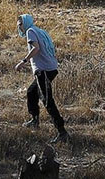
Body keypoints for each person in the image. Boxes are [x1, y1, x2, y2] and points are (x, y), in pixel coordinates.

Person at [14, 13, 68, 144]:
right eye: (18, 25)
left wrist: (23, 61)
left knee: (47, 101)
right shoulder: (39, 30)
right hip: (50, 68)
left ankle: (62, 132)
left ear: (26, 23)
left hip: (44, 70)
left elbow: (36, 48)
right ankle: (35, 120)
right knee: (31, 92)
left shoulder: (30, 31)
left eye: (20, 24)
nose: (19, 27)